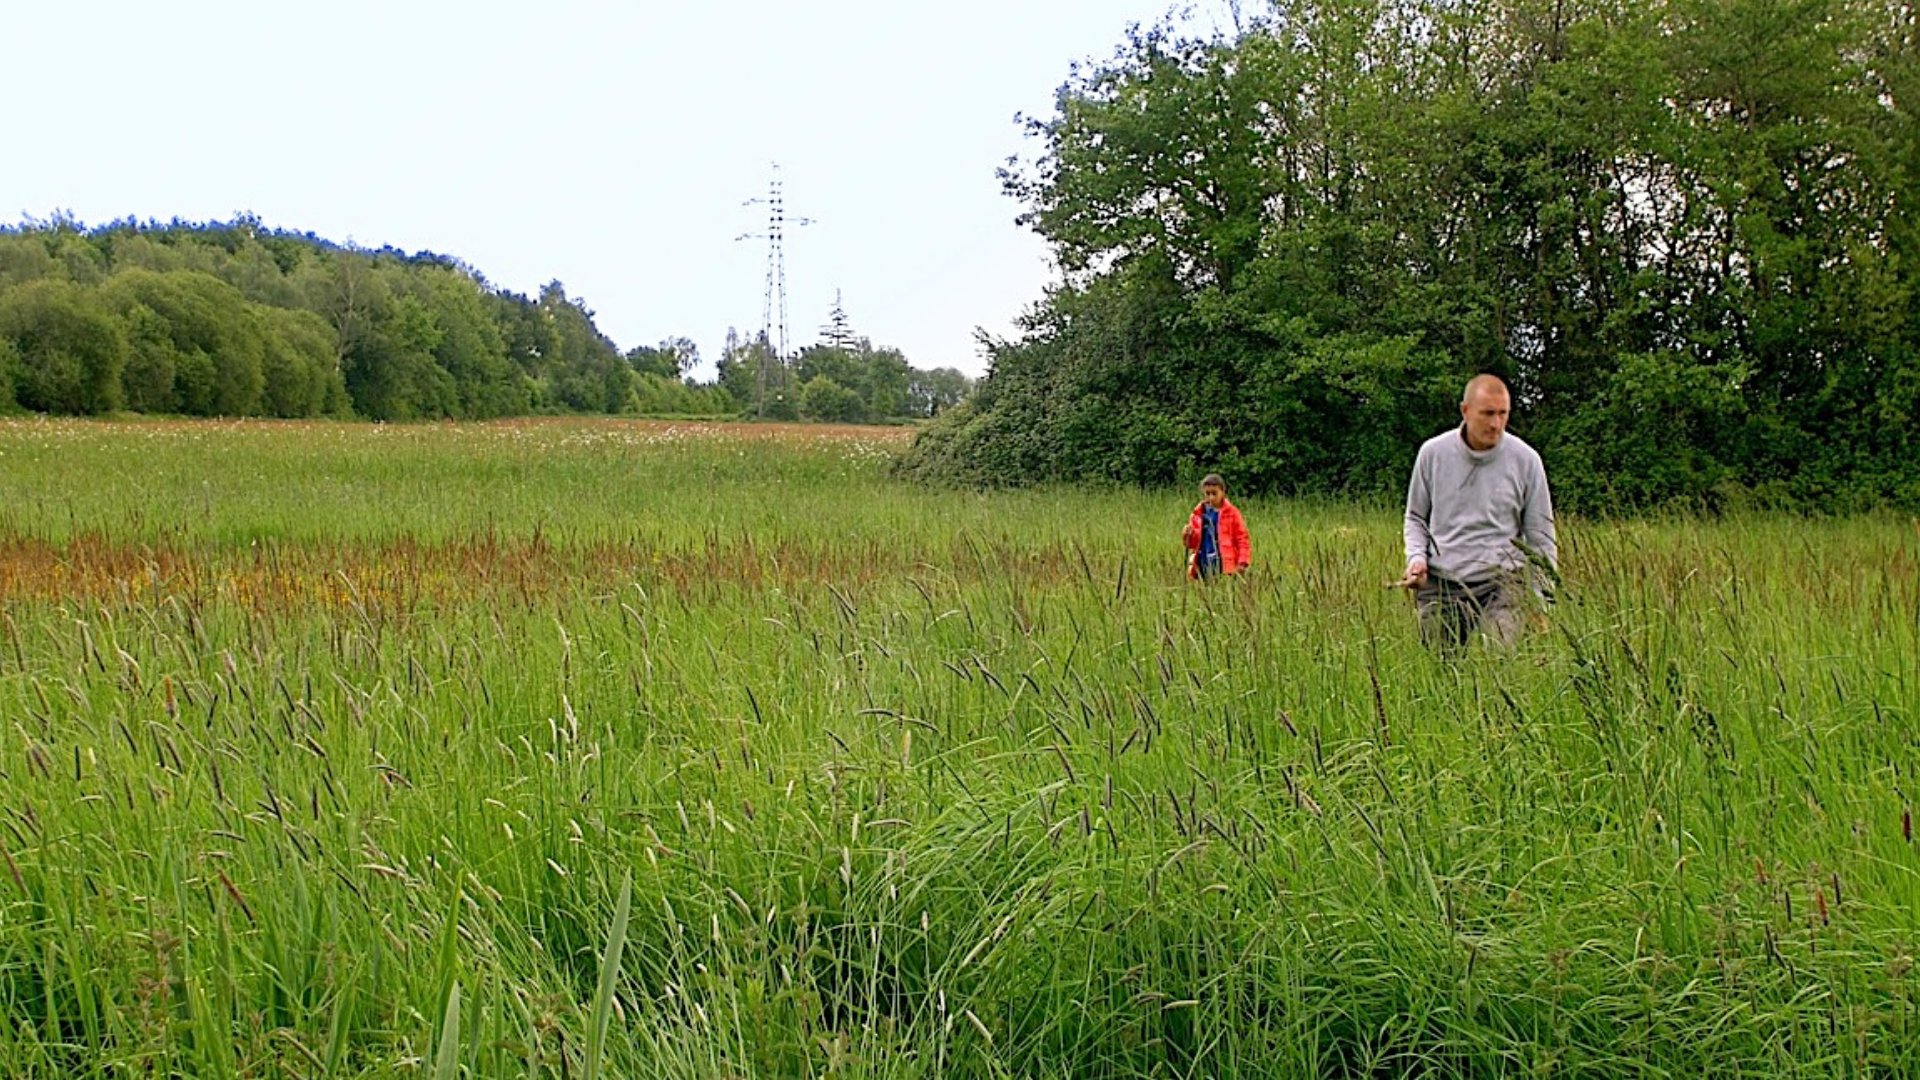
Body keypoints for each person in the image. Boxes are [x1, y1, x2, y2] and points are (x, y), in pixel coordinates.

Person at [1395, 374, 1556, 648]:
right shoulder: (1433, 454)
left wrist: (1542, 601)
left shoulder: (1526, 460)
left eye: (1502, 414)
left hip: (1503, 584)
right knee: (1441, 671)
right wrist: (1417, 559)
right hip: (1442, 583)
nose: (1495, 424)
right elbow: (1416, 518)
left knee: (1497, 662)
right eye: (1487, 414)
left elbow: (1541, 538)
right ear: (1465, 411)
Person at [1183, 473, 1251, 580]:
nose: (1211, 497)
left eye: (1214, 493)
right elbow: (1192, 544)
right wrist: (1188, 534)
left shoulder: (1232, 513)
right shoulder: (1198, 514)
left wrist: (1242, 562)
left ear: (1223, 492)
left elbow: (1242, 538)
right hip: (1203, 561)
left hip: (1224, 563)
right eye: (1207, 493)